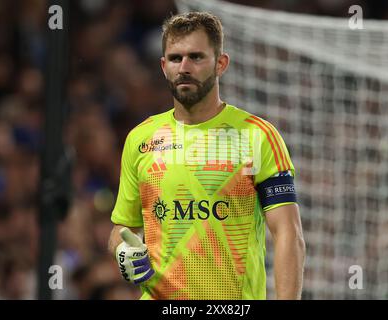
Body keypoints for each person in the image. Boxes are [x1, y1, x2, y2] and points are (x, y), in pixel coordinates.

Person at [108, 11, 305, 300]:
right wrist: (122, 250)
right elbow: (123, 227)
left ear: (221, 64)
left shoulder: (257, 136)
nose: (184, 67)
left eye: (196, 57)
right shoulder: (141, 138)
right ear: (164, 66)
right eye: (175, 58)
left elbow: (288, 234)